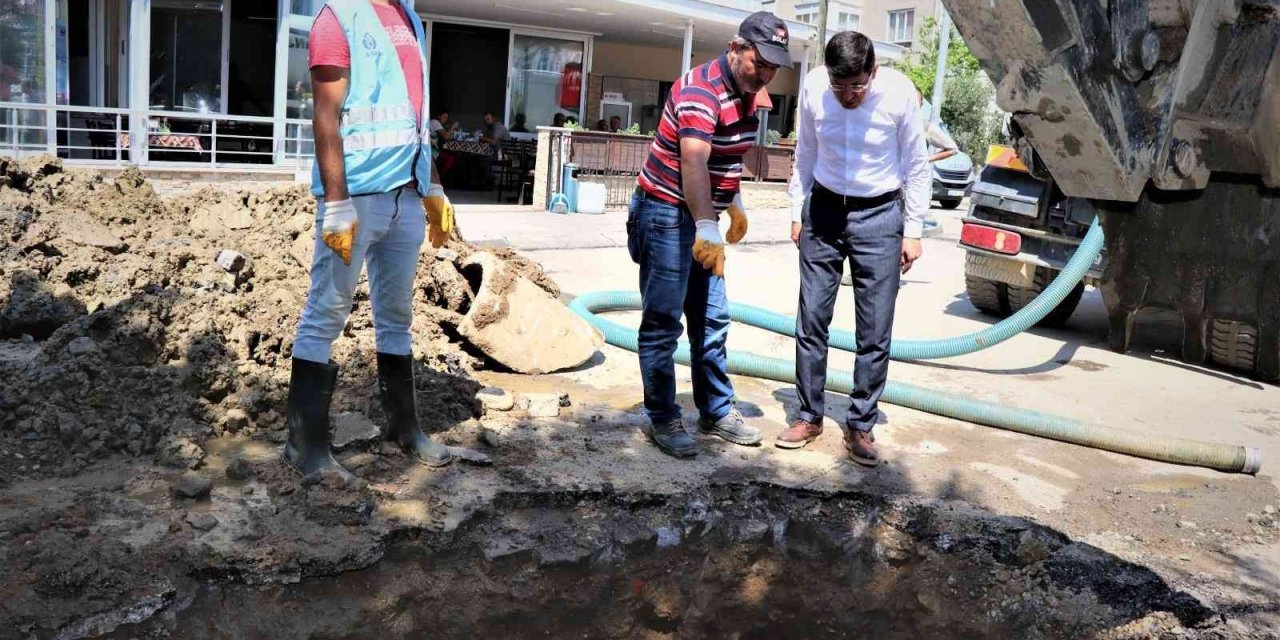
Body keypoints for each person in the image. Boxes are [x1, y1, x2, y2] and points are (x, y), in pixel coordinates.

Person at [286, 0, 483, 481]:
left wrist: (433, 186)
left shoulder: (410, 18)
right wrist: (335, 202)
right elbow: (326, 115)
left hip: (406, 198)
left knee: (397, 317)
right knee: (325, 314)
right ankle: (303, 446)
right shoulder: (339, 17)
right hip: (356, 197)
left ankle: (403, 427)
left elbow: (415, 121)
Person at [628, 11, 792, 457]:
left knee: (713, 319)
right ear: (736, 48)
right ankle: (662, 417)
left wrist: (732, 202)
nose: (766, 74)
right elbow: (694, 162)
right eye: (760, 63)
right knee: (664, 321)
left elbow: (728, 156)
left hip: (702, 211)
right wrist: (705, 224)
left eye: (775, 67)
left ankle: (716, 411)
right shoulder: (701, 92)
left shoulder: (753, 92)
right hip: (664, 212)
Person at [775, 31, 929, 466]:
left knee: (875, 328)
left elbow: (917, 167)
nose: (848, 96)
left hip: (880, 216)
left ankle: (861, 423)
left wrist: (912, 230)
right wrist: (795, 211)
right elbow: (804, 154)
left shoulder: (899, 95)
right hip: (823, 211)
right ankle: (809, 415)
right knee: (811, 319)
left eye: (857, 86)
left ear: (873, 73)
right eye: (840, 87)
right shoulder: (813, 89)